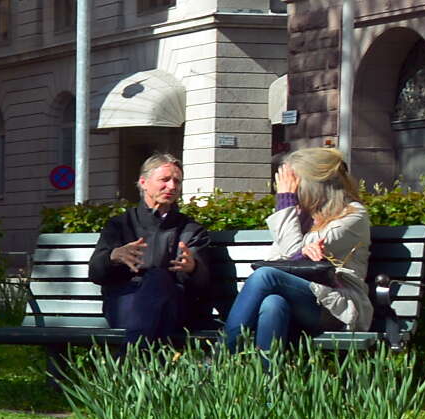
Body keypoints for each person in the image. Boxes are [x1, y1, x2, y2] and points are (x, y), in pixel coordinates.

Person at [221, 146, 373, 350]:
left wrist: (285, 203)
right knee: (273, 303)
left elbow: (291, 253)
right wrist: (297, 233)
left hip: (335, 306)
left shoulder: (353, 216)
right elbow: (281, 259)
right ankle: (267, 378)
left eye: (293, 185)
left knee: (266, 276)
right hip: (300, 301)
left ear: (313, 186)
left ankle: (225, 354)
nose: (288, 191)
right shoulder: (300, 216)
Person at [94, 153, 234, 342]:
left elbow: (204, 286)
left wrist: (192, 269)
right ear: (143, 182)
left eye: (177, 181)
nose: (172, 186)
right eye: (165, 180)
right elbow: (95, 272)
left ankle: (132, 358)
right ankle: (141, 358)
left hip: (175, 305)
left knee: (157, 279)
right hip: (125, 303)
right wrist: (113, 256)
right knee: (149, 296)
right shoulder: (120, 225)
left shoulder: (191, 230)